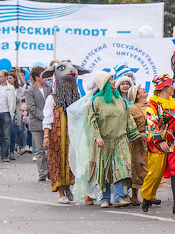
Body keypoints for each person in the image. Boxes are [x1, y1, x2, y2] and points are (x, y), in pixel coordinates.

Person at [84, 71, 137, 209]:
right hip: (104, 141)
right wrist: (97, 137)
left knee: (121, 168)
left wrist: (135, 135)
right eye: (111, 79)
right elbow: (92, 120)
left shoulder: (120, 100)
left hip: (120, 139)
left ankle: (118, 198)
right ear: (104, 83)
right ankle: (105, 198)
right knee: (105, 170)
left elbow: (128, 118)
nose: (114, 81)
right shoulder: (96, 101)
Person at [43, 61, 85, 204]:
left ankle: (68, 187)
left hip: (72, 137)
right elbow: (47, 118)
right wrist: (46, 136)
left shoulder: (76, 99)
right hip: (57, 137)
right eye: (65, 83)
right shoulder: (52, 99)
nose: (68, 86)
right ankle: (61, 193)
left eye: (70, 83)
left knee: (71, 161)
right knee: (58, 163)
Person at [141, 75, 175, 214]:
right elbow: (151, 122)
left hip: (174, 141)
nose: (173, 88)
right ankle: (147, 198)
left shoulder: (173, 103)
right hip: (157, 142)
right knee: (156, 173)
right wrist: (160, 140)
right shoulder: (152, 104)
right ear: (164, 88)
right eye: (171, 85)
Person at [24, 65, 50, 181]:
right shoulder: (30, 91)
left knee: (50, 150)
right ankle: (42, 173)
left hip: (49, 124)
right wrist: (45, 117)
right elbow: (32, 107)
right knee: (40, 149)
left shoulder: (49, 89)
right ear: (36, 77)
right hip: (37, 123)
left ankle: (51, 172)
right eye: (42, 75)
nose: (45, 77)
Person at [126, 84, 149, 207]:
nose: (145, 91)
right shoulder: (133, 109)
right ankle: (135, 195)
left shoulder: (150, 106)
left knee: (149, 168)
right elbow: (129, 126)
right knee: (136, 168)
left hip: (149, 142)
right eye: (142, 90)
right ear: (137, 96)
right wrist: (139, 134)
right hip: (137, 143)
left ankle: (150, 194)